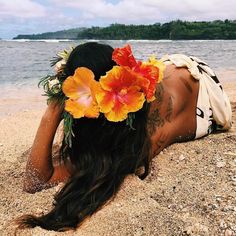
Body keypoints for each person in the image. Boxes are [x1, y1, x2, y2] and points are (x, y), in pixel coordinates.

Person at [17, 42, 232, 231]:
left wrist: (52, 112)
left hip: (205, 86)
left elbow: (35, 181)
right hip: (173, 69)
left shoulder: (135, 140)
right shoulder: (130, 98)